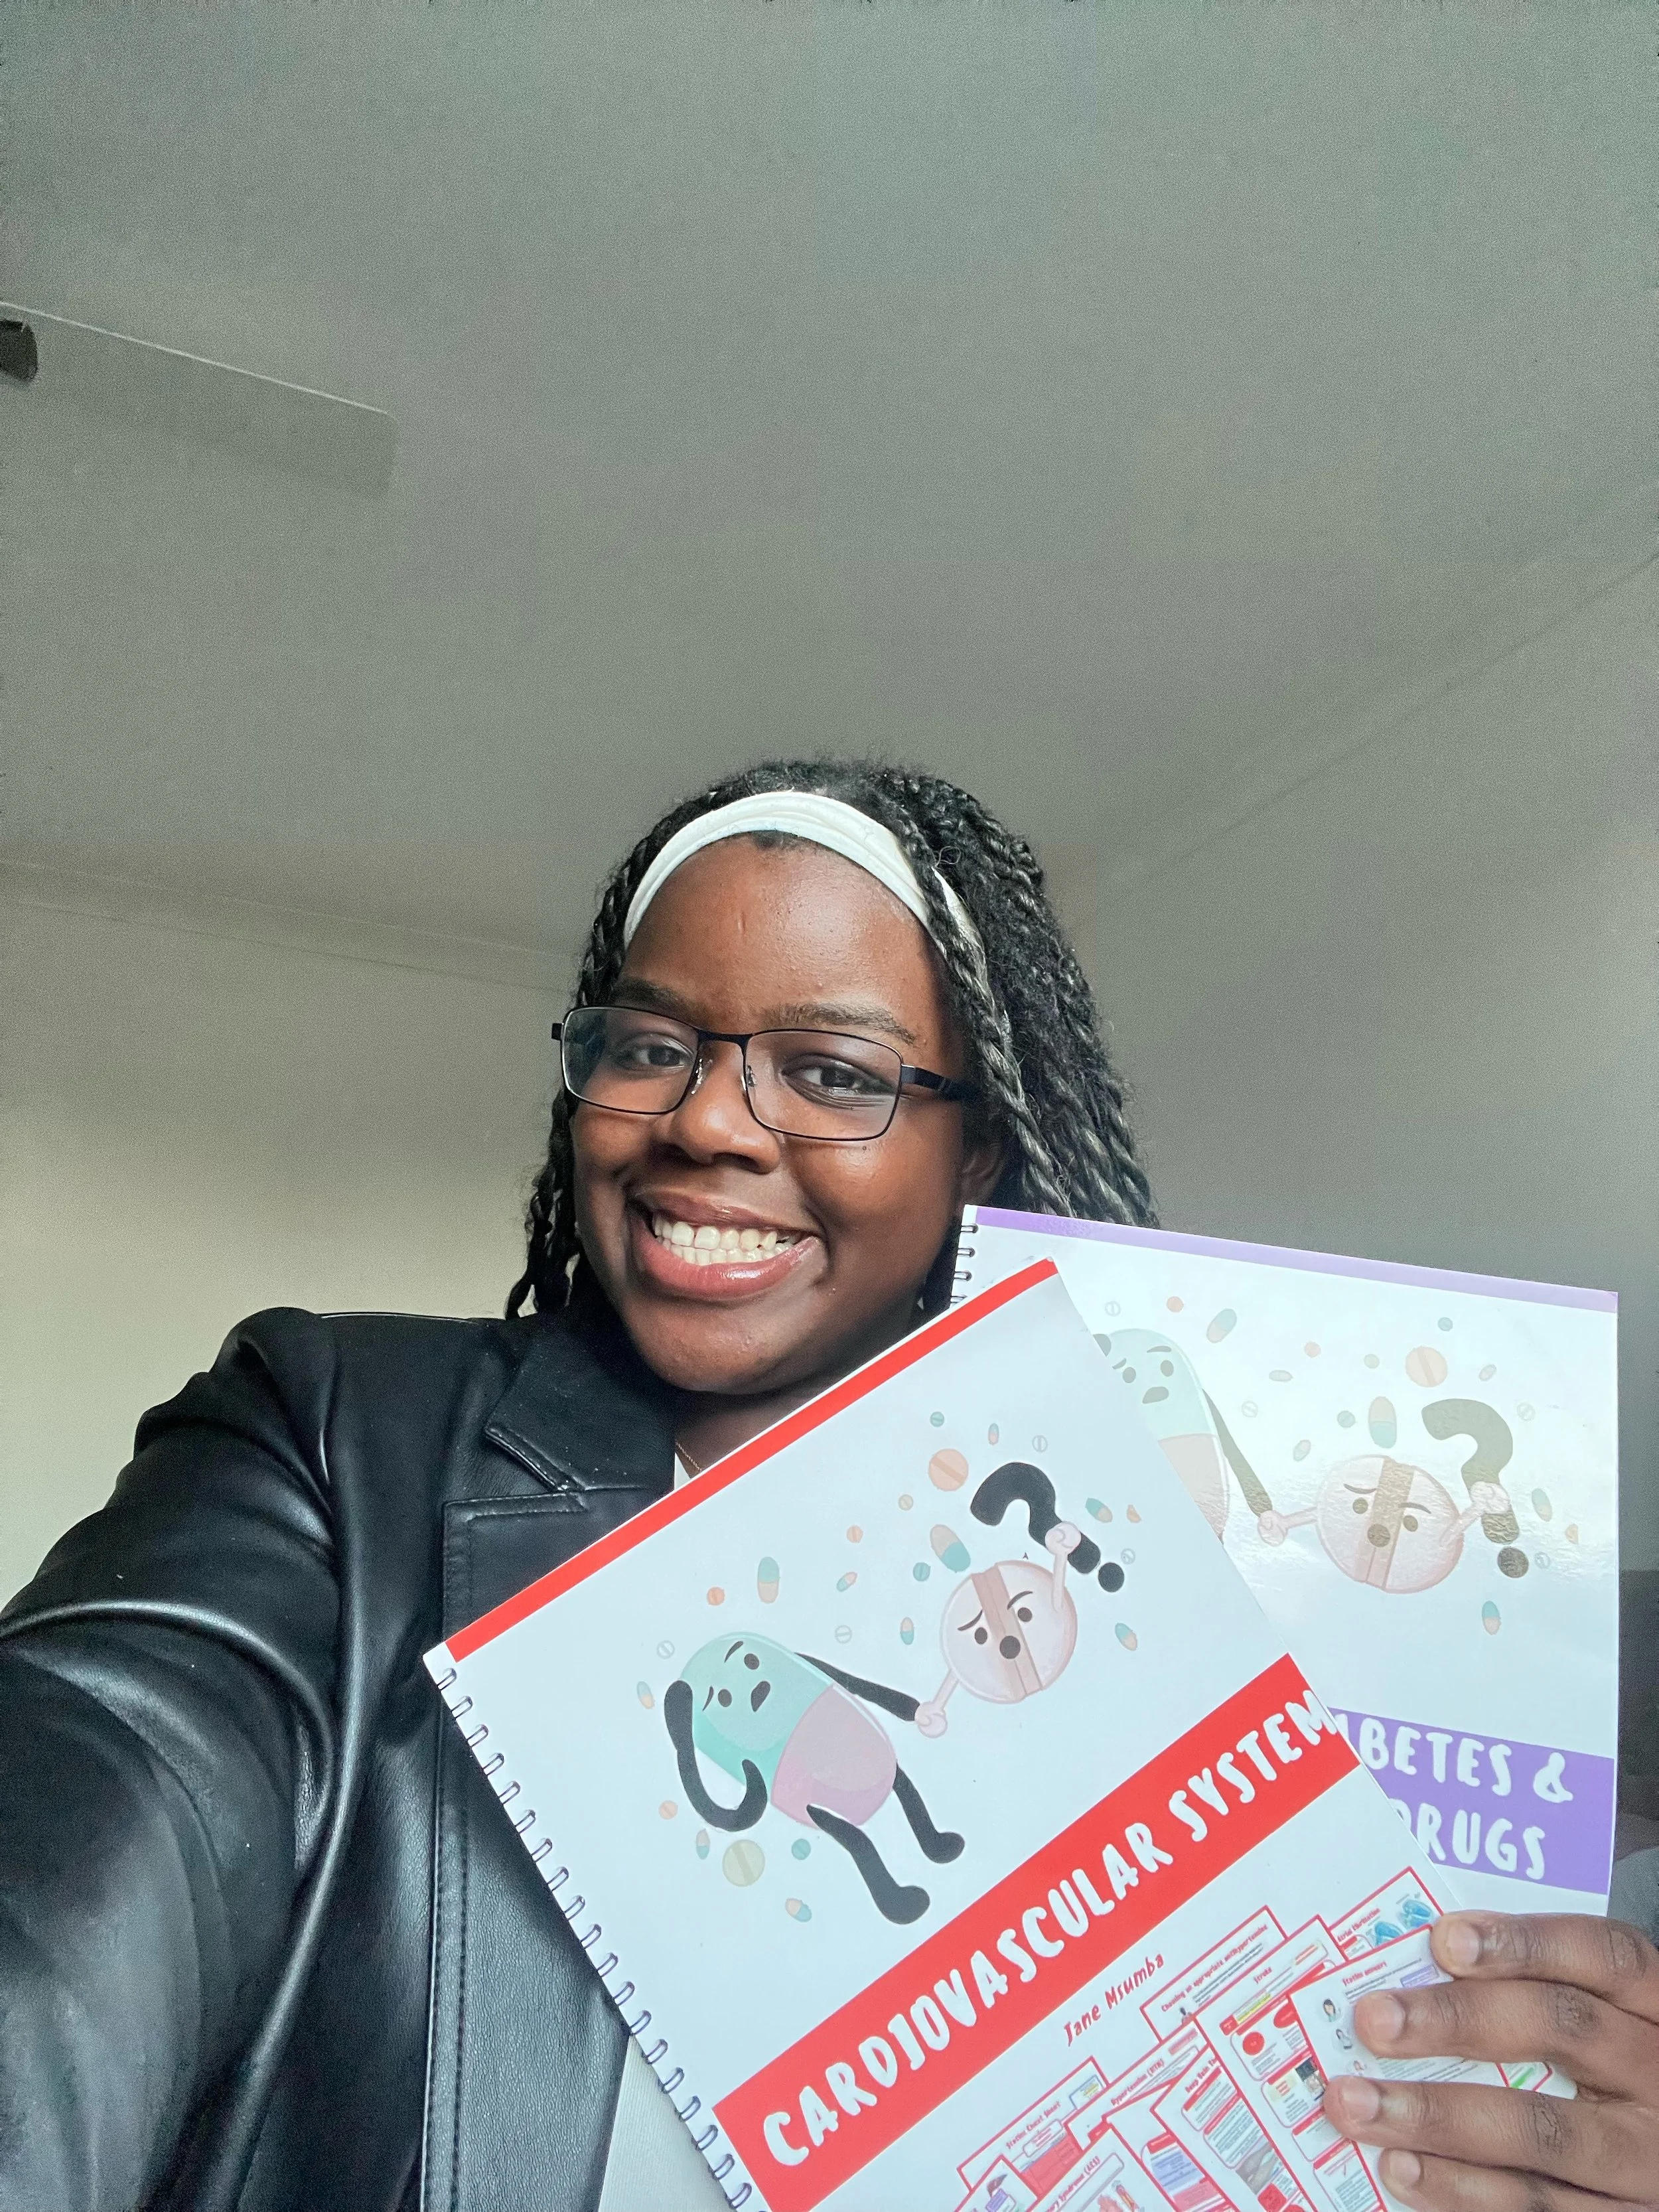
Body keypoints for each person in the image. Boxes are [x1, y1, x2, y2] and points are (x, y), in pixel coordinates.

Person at [0, 759, 1652, 2212]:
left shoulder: (1186, 1552)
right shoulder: (332, 1441)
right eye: (650, 1044)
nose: (709, 1123)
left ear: (974, 1149)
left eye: (835, 1072)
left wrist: (1522, 2132)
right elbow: (85, 1836)